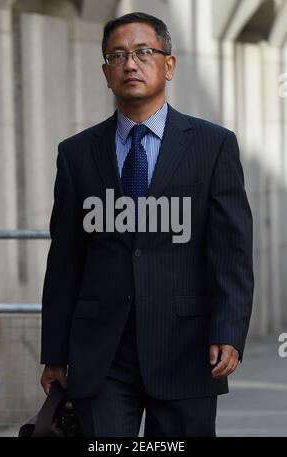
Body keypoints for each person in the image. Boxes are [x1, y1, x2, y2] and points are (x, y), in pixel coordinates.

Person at [40, 12, 254, 437]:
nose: (130, 64)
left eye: (143, 52)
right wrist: (55, 352)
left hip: (187, 349)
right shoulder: (78, 154)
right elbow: (64, 259)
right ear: (106, 73)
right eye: (117, 55)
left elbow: (231, 251)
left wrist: (229, 331)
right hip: (102, 353)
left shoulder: (213, 146)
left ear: (169, 65)